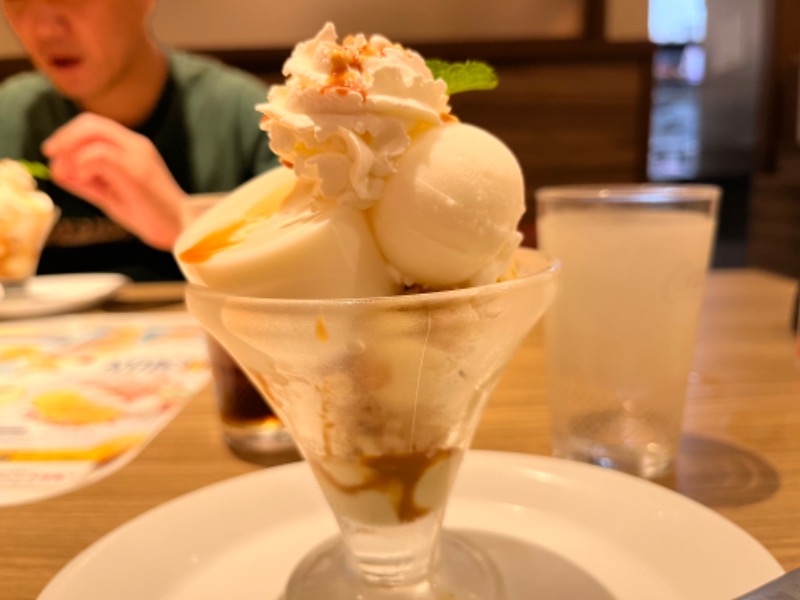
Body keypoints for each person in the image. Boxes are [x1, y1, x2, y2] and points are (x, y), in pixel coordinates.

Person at [0, 0, 277, 280]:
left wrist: (184, 224)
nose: (43, 29)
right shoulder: (9, 118)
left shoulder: (254, 118)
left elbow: (300, 277)